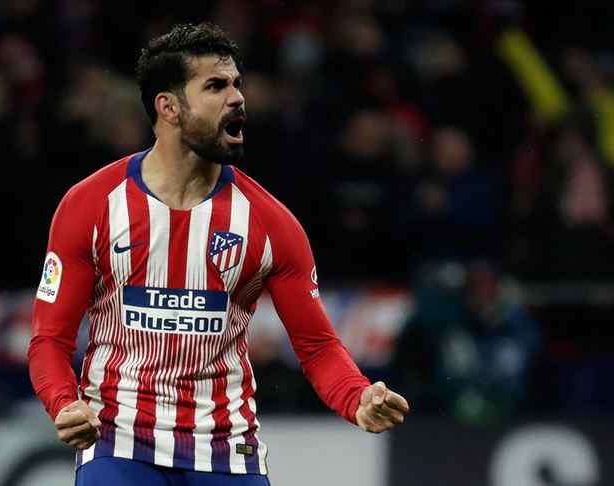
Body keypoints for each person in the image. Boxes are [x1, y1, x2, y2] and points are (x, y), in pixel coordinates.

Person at [28, 22, 409, 485]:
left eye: (236, 84)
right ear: (168, 107)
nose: (237, 98)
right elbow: (49, 340)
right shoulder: (89, 206)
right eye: (215, 86)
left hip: (226, 450)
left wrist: (357, 397)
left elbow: (317, 346)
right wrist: (64, 403)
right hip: (117, 442)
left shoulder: (270, 223)